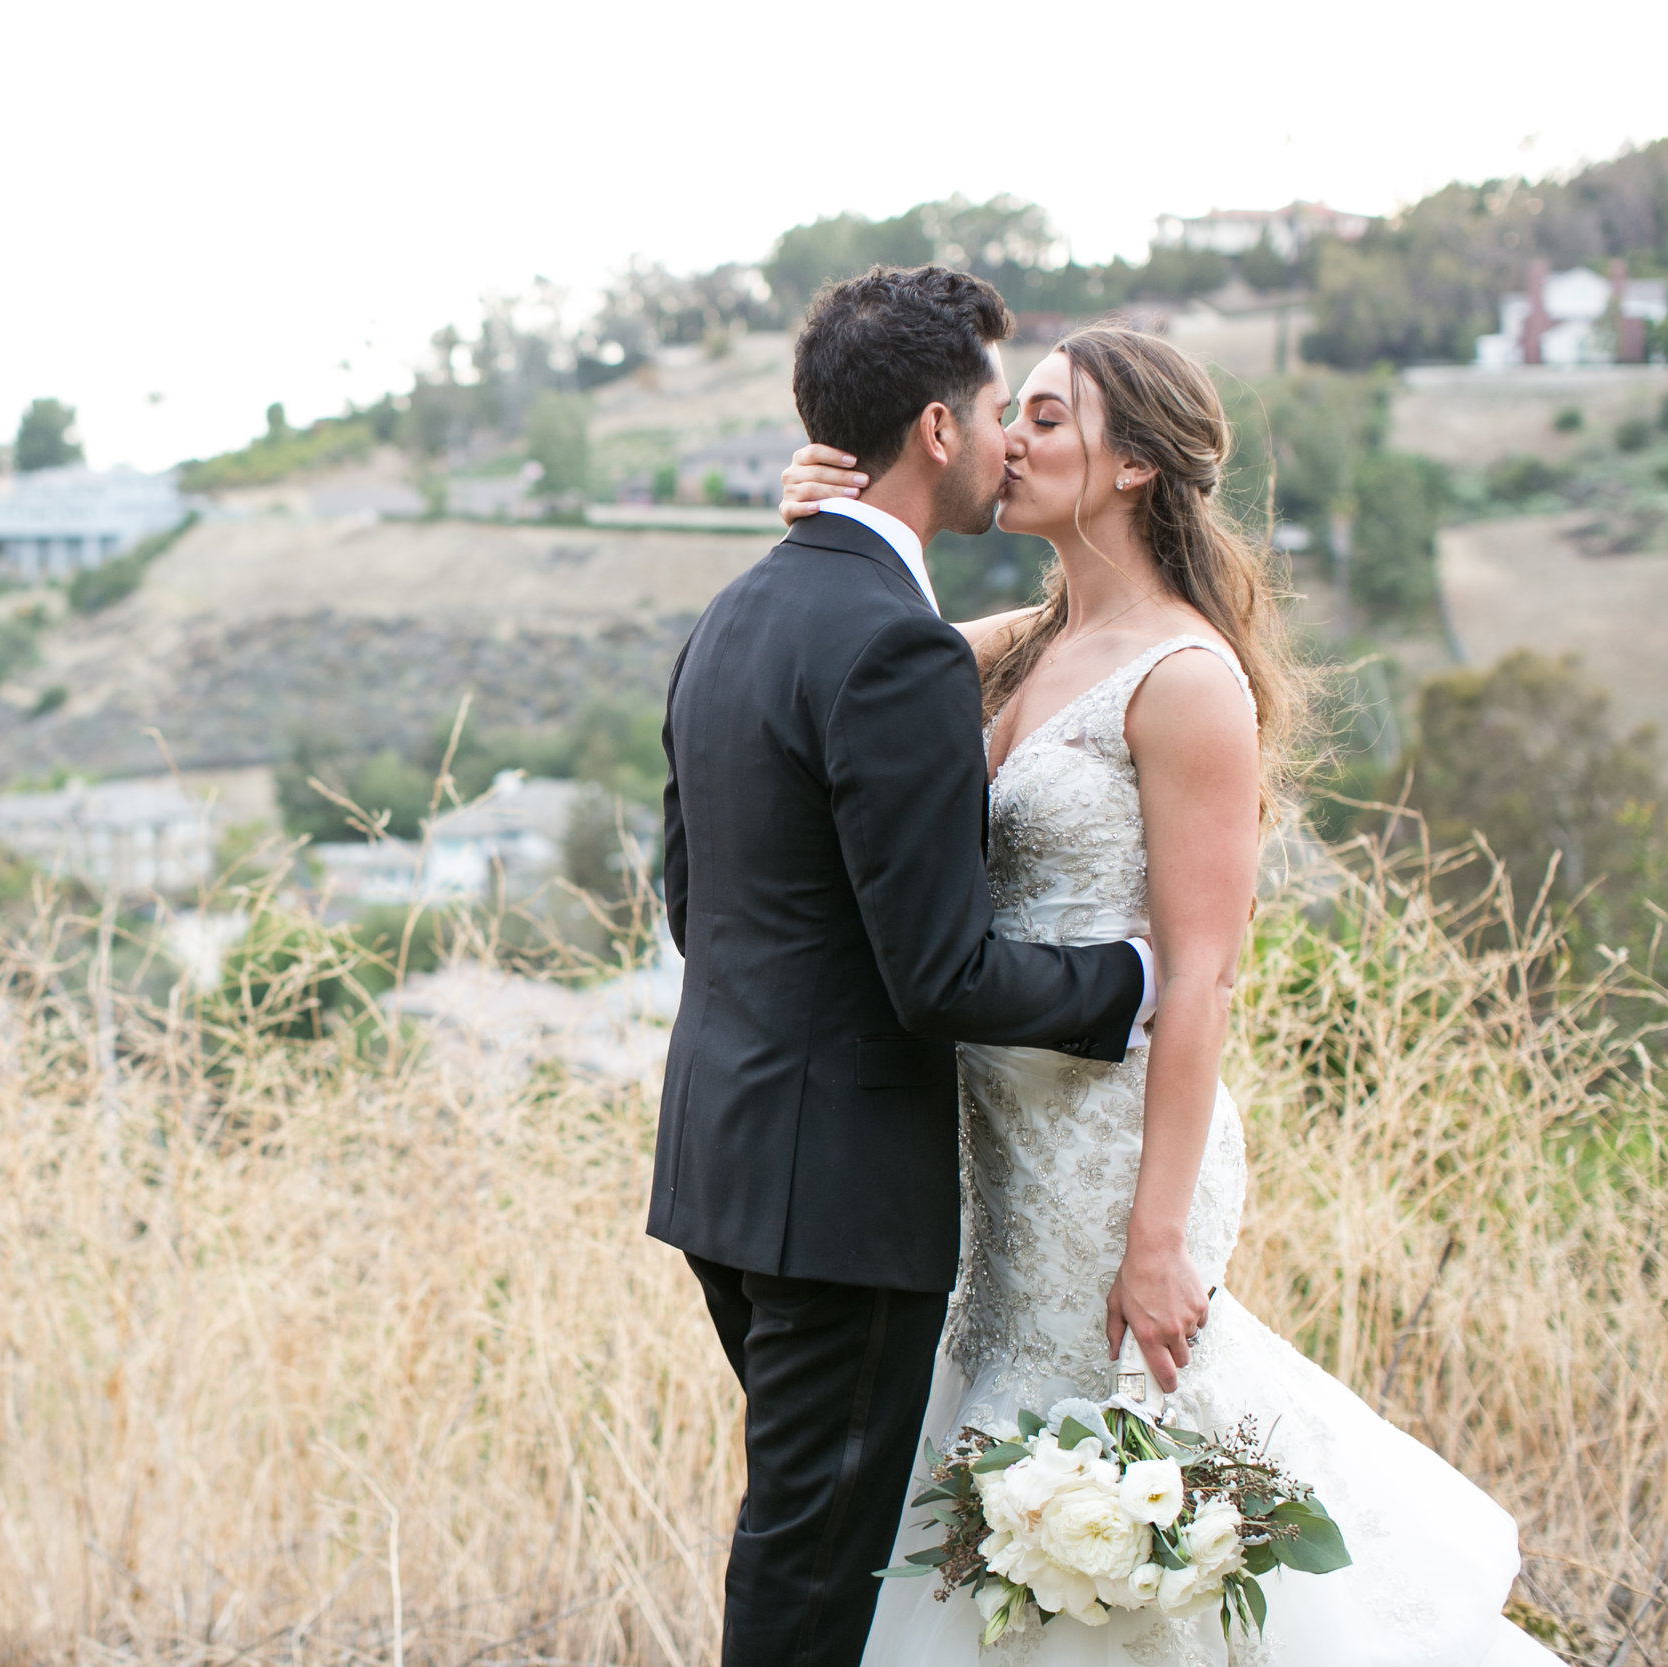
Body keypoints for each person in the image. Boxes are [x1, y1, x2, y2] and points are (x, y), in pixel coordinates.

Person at [779, 324, 1552, 1662]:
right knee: (1005, 1472)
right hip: (989, 1143)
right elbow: (858, 640)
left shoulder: (1186, 679)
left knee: (1114, 1471)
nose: (1005, 442)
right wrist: (829, 522)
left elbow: (1202, 976)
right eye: (1005, 416)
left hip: (1114, 1144)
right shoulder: (1021, 644)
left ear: (1134, 464)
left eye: (1043, 418)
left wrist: (1156, 1238)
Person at [649, 265, 1159, 1667]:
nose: (1012, 436)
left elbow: (695, 901)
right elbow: (938, 976)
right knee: (811, 1584)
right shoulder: (891, 648)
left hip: (723, 1167)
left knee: (807, 1540)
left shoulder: (738, 613)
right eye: (1001, 407)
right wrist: (1129, 982)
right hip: (840, 1203)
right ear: (938, 428)